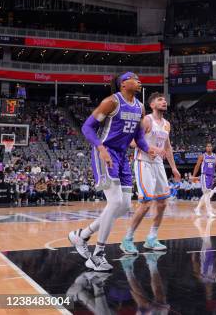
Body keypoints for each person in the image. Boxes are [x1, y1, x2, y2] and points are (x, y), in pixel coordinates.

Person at [68, 72, 162, 271]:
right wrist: (100, 148)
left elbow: (139, 137)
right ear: (123, 84)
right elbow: (87, 127)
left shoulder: (140, 107)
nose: (139, 80)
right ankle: (97, 254)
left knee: (124, 206)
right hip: (106, 152)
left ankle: (82, 235)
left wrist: (148, 149)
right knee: (115, 202)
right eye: (134, 78)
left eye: (139, 78)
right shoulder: (111, 102)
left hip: (122, 156)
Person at [120, 93, 181, 255]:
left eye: (165, 100)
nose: (164, 102)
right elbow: (132, 142)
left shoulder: (167, 124)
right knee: (146, 203)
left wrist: (173, 168)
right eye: (160, 100)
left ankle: (152, 238)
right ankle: (127, 239)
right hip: (143, 162)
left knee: (162, 203)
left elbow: (167, 147)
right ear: (152, 104)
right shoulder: (147, 120)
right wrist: (150, 149)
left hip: (159, 165)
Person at [192, 143, 216, 217]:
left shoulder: (215, 156)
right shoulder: (202, 156)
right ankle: (209, 212)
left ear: (212, 148)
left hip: (211, 176)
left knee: (206, 194)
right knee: (207, 193)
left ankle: (197, 209)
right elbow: (197, 166)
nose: (209, 147)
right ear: (206, 148)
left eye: (210, 146)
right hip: (204, 176)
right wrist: (193, 176)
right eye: (207, 146)